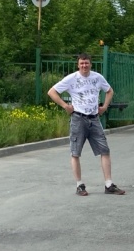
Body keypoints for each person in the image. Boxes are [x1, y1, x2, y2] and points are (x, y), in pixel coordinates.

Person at [47, 53, 126, 196]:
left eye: (87, 63)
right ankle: (79, 185)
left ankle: (109, 184)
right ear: (78, 65)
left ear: (91, 64)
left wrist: (104, 107)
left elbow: (109, 91)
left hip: (94, 118)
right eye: (82, 63)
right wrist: (65, 106)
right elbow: (52, 92)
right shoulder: (72, 79)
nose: (84, 66)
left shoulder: (97, 77)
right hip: (78, 118)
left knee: (104, 150)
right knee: (75, 152)